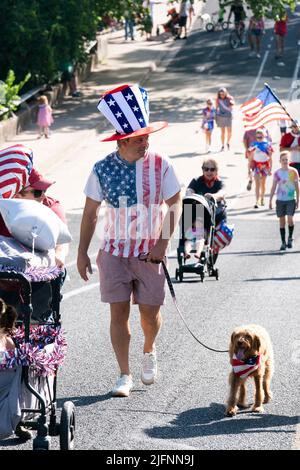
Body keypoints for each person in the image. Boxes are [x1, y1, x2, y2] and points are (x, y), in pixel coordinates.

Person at [77, 84, 182, 398]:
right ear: (122, 141)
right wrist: (82, 252)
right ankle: (124, 374)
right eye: (139, 138)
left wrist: (162, 245)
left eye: (147, 136)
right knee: (118, 312)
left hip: (150, 254)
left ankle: (149, 349)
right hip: (114, 253)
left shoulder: (161, 164)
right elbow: (90, 212)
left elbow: (179, 203)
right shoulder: (102, 169)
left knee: (149, 314)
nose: (145, 142)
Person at [0, 168, 69, 268]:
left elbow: (61, 239)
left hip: (40, 271)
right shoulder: (3, 208)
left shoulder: (50, 206)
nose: (43, 196)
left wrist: (59, 254)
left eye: (44, 190)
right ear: (17, 196)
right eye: (38, 192)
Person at [186, 158, 226, 264]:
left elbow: (222, 193)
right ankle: (192, 253)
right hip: (200, 213)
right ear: (202, 170)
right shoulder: (197, 180)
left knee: (215, 239)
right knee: (193, 228)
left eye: (212, 169)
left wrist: (213, 196)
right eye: (206, 169)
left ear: (216, 171)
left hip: (217, 214)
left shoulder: (219, 182)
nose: (209, 172)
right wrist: (190, 194)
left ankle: (210, 260)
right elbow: (189, 190)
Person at [269, 151, 299, 250]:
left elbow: (297, 186)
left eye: (286, 159)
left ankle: (290, 237)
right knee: (282, 221)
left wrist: (298, 199)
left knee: (290, 218)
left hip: (291, 199)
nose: (285, 161)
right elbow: (273, 187)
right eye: (283, 160)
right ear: (280, 161)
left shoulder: (293, 171)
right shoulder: (277, 173)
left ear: (289, 160)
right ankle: (283, 242)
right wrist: (270, 200)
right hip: (280, 200)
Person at [248, 128, 273, 208]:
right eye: (258, 137)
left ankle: (262, 198)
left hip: (265, 165)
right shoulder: (253, 145)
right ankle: (257, 201)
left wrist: (270, 169)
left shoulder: (268, 145)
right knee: (257, 184)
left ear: (264, 136)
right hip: (256, 166)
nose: (259, 138)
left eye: (261, 137)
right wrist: (248, 169)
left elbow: (270, 158)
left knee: (263, 184)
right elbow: (250, 158)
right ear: (256, 136)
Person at [215, 87, 235, 151]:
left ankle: (228, 142)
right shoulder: (218, 99)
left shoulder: (229, 98)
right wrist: (216, 115)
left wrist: (230, 106)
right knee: (222, 132)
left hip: (228, 116)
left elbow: (232, 105)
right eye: (220, 94)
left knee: (229, 132)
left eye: (223, 94)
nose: (222, 95)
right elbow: (216, 107)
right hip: (221, 117)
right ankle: (223, 145)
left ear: (226, 93)